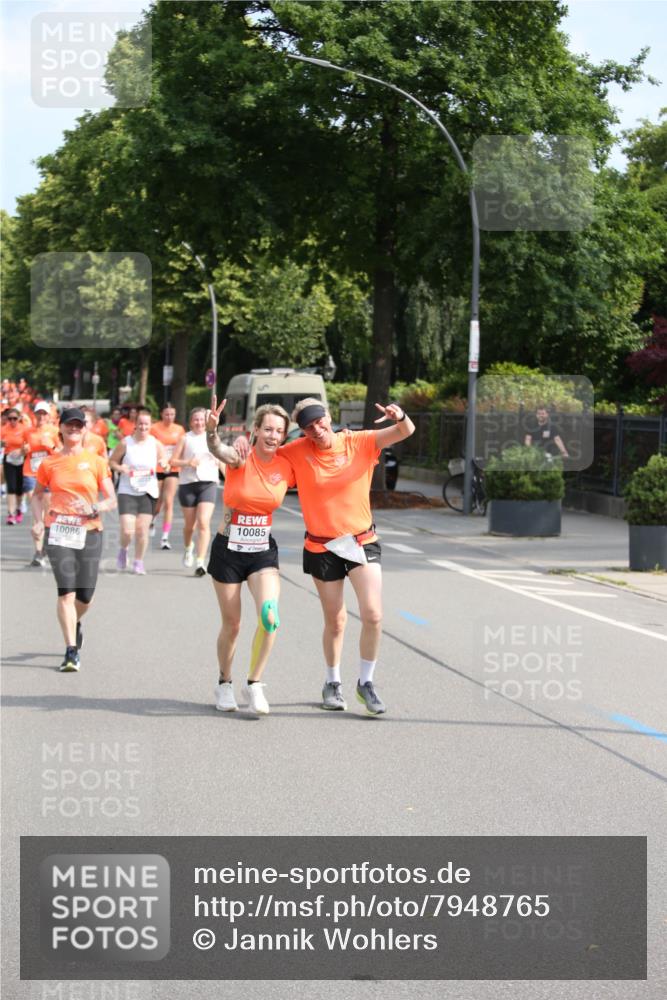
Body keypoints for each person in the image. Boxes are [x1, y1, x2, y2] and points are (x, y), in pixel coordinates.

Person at [264, 397, 414, 716]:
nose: (316, 430)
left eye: (319, 422)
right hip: (322, 546)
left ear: (329, 417)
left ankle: (366, 683)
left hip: (361, 542)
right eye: (308, 427)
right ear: (302, 432)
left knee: (373, 614)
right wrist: (242, 440)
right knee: (336, 620)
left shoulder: (359, 442)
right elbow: (263, 457)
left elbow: (405, 431)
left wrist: (399, 415)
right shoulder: (296, 452)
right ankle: (332, 682)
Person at [205, 398, 293, 715]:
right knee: (233, 625)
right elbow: (217, 448)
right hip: (228, 550)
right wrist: (212, 432)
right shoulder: (240, 456)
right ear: (255, 430)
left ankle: (254, 683)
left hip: (261, 553)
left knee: (270, 617)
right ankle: (224, 682)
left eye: (279, 431)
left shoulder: (286, 464)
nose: (272, 435)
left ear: (284, 435)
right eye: (267, 428)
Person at [30, 408, 117, 672]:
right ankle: (71, 650)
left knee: (85, 596)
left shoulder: (97, 461)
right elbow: (36, 495)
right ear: (62, 428)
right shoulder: (49, 463)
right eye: (70, 425)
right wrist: (37, 521)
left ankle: (74, 622)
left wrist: (96, 508)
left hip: (90, 529)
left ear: (84, 429)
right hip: (58, 530)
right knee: (66, 592)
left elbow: (111, 499)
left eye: (79, 426)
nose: (74, 429)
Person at [109, 408, 167, 575]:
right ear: (135, 425)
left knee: (142, 529)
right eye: (140, 424)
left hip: (148, 491)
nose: (143, 427)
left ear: (151, 426)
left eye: (146, 424)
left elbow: (165, 461)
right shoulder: (126, 443)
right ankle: (123, 549)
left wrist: (164, 464)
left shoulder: (155, 443)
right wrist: (120, 468)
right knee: (128, 530)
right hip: (127, 490)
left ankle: (138, 561)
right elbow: (111, 462)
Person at [171, 407, 223, 576]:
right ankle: (188, 548)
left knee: (203, 522)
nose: (199, 423)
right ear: (191, 421)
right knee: (189, 525)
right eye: (196, 420)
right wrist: (188, 463)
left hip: (208, 483)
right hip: (188, 484)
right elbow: (173, 460)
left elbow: (224, 459)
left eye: (202, 419)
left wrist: (226, 472)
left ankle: (200, 562)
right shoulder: (185, 438)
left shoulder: (213, 437)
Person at [22, 400, 61, 566]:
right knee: (36, 512)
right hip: (31, 473)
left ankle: (46, 546)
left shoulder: (55, 431)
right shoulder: (28, 432)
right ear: (35, 414)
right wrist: (24, 450)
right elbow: (23, 449)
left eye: (45, 413)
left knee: (47, 513)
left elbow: (62, 453)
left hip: (49, 475)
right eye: (39, 413)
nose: (42, 416)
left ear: (49, 415)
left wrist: (51, 445)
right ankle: (38, 552)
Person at [150, 402, 185, 549]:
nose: (169, 417)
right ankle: (152, 518)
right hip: (157, 468)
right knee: (157, 501)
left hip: (173, 468)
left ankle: (165, 537)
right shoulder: (154, 428)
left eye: (172, 414)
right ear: (161, 415)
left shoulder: (179, 429)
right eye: (167, 414)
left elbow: (183, 448)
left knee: (169, 501)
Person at [1, 408, 27, 524]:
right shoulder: (3, 429)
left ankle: (18, 509)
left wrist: (21, 451)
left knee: (19, 488)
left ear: (19, 418)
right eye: (10, 418)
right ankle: (11, 514)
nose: (12, 421)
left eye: (14, 418)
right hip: (9, 459)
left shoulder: (24, 429)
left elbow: (29, 444)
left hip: (22, 460)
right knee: (10, 487)